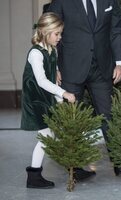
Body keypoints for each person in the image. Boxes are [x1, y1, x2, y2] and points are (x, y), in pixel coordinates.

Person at [48, 0, 121, 177]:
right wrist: (54, 66)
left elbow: (116, 30)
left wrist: (120, 62)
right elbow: (49, 31)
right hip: (70, 67)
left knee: (108, 114)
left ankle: (119, 161)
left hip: (102, 67)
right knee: (72, 117)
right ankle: (74, 166)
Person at [21, 12, 76, 189]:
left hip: (45, 97)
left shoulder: (51, 48)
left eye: (60, 33)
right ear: (45, 32)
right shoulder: (36, 53)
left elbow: (53, 66)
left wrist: (57, 71)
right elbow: (42, 80)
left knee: (49, 136)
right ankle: (33, 177)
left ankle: (38, 174)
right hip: (36, 99)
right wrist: (64, 93)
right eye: (57, 34)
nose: (59, 37)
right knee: (46, 136)